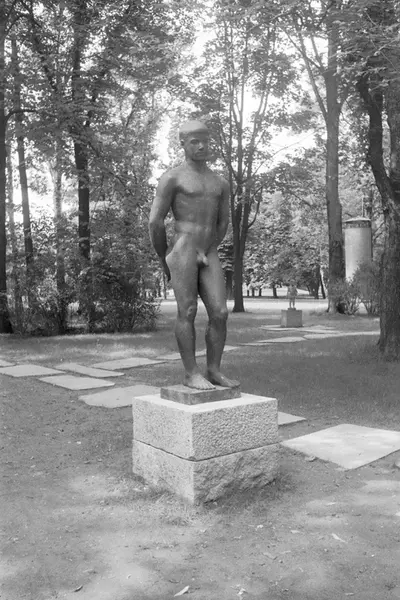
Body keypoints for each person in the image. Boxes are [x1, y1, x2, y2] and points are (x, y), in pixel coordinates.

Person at [149, 120, 239, 390]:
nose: (201, 146)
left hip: (208, 249)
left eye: (205, 141)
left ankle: (214, 370)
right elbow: (155, 221)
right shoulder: (172, 178)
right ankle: (191, 373)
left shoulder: (220, 183)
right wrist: (164, 255)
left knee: (220, 312)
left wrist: (209, 246)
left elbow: (223, 223)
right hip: (183, 247)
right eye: (195, 141)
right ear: (183, 144)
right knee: (187, 310)